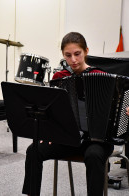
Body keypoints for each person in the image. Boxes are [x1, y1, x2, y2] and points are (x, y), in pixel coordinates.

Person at [22, 32, 114, 196]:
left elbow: (117, 108)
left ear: (86, 51)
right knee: (33, 150)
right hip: (67, 139)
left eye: (77, 54)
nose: (73, 60)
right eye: (68, 55)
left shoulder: (101, 77)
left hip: (97, 141)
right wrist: (47, 131)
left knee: (93, 156)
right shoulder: (60, 78)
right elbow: (50, 111)